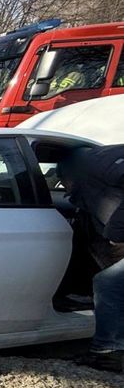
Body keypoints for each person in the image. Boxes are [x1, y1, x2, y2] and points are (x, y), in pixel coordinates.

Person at [57, 143, 124, 371]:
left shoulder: (101, 163)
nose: (66, 192)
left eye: (65, 187)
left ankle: (110, 352)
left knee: (109, 283)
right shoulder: (102, 162)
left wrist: (117, 235)